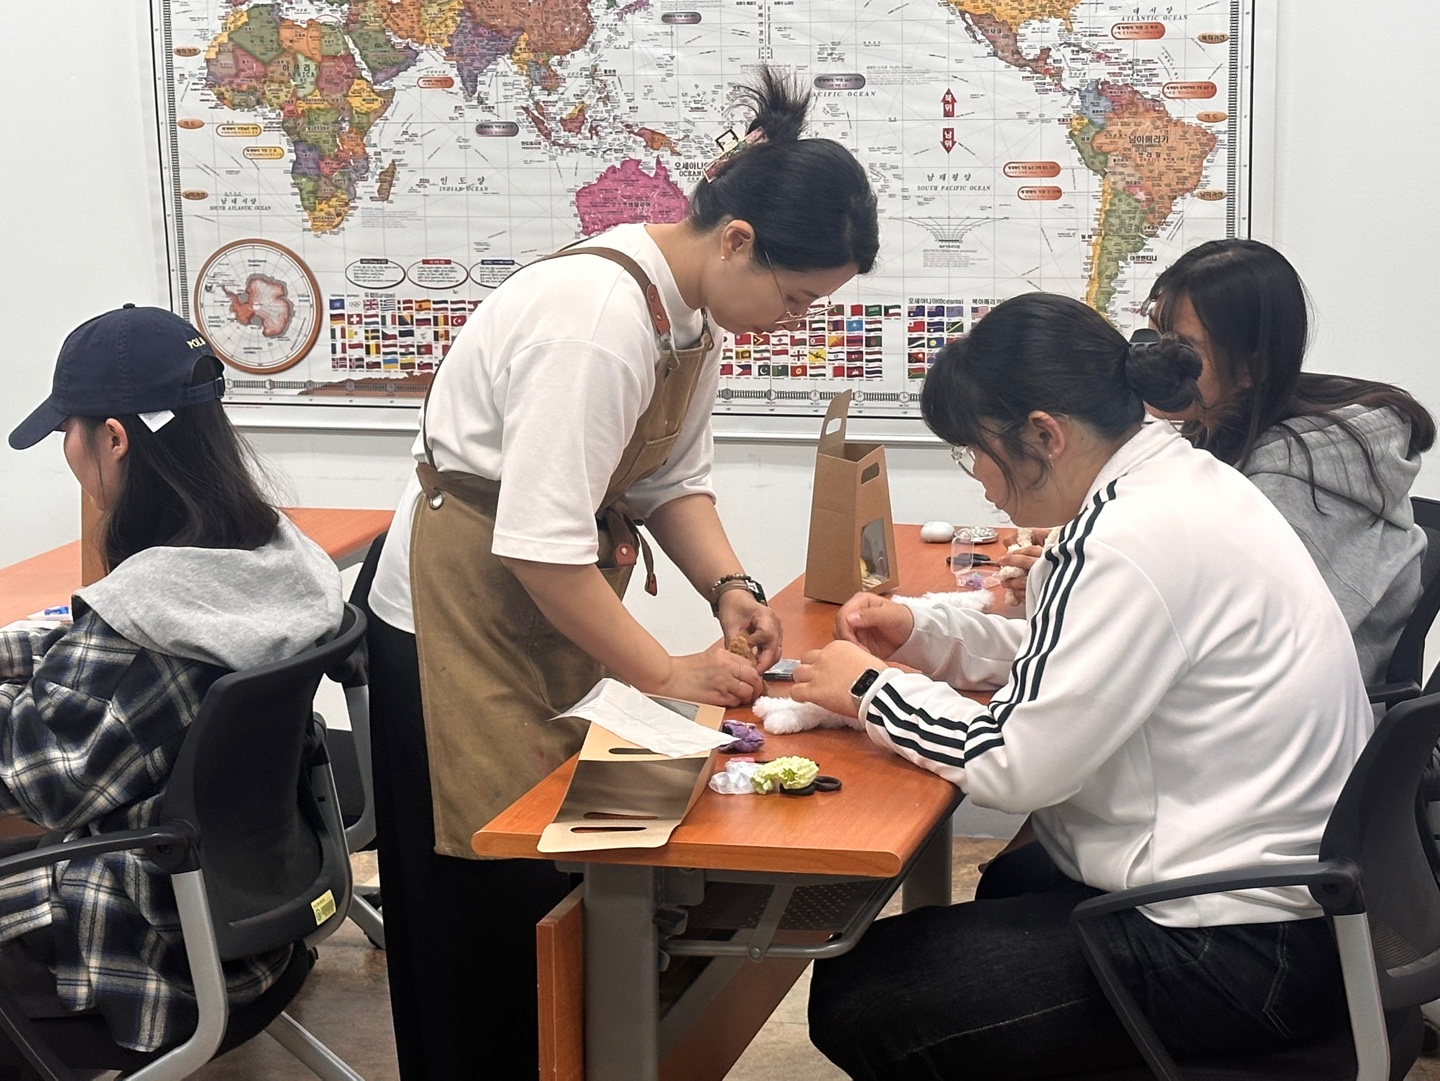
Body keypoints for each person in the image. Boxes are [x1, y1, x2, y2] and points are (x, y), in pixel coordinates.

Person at [363, 66, 879, 1078]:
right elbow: (537, 543)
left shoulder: (691, 315)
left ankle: (582, 1054)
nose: (795, 319)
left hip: (549, 597)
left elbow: (668, 480)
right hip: (458, 615)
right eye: (795, 296)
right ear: (735, 240)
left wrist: (730, 589)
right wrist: (667, 672)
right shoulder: (596, 319)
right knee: (485, 883)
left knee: (567, 855)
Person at [794, 292, 1372, 1079]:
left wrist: (870, 688)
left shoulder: (1123, 538)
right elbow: (1078, 657)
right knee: (1010, 880)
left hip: (1239, 948)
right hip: (1295, 908)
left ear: (1045, 435)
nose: (984, 484)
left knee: (862, 997)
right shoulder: (1181, 482)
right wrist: (922, 632)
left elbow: (1014, 764)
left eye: (976, 453)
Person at [0, 305, 343, 1056]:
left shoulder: (144, 622)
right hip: (252, 921)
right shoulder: (266, 560)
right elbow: (91, 657)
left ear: (113, 438)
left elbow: (34, 779)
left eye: (67, 430)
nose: (67, 449)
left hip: (133, 946)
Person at [1144, 239, 1434, 687]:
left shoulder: (1288, 485)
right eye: (1153, 338)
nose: (1156, 361)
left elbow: (1244, 641)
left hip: (1311, 711)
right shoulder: (1220, 432)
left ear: (1249, 368)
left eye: (1181, 348)